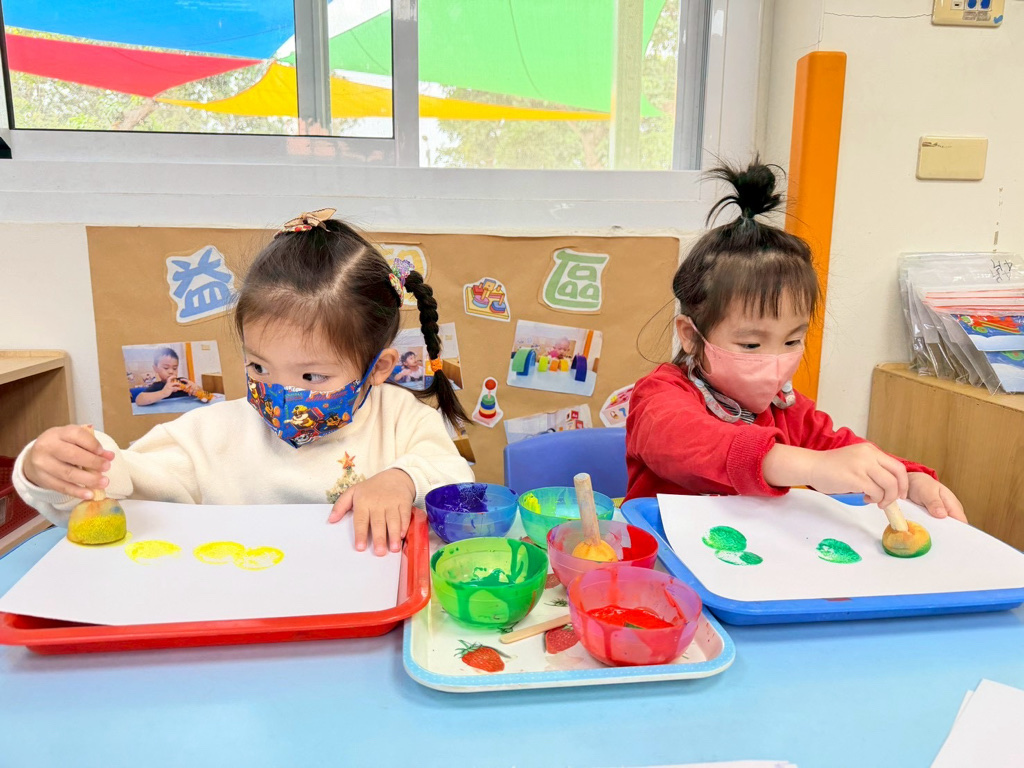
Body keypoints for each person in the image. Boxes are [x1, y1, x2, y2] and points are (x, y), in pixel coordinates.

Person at [16, 208, 474, 555]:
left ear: (378, 367)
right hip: (243, 615)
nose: (281, 393)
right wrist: (58, 467)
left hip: (369, 614)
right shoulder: (210, 436)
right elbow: (119, 485)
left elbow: (457, 482)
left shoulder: (402, 421)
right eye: (259, 368)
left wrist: (403, 480)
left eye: (311, 375)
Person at [625, 161, 967, 522]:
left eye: (792, 341)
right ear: (691, 335)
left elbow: (843, 452)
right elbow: (688, 442)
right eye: (751, 345)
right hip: (663, 548)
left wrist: (908, 478)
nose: (774, 361)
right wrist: (812, 466)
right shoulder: (659, 397)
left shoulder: (787, 409)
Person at [133, 347, 199, 406]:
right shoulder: (156, 386)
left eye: (175, 368)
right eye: (166, 368)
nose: (171, 371)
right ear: (155, 369)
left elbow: (202, 396)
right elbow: (139, 400)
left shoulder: (183, 382)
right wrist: (163, 393)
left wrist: (196, 389)